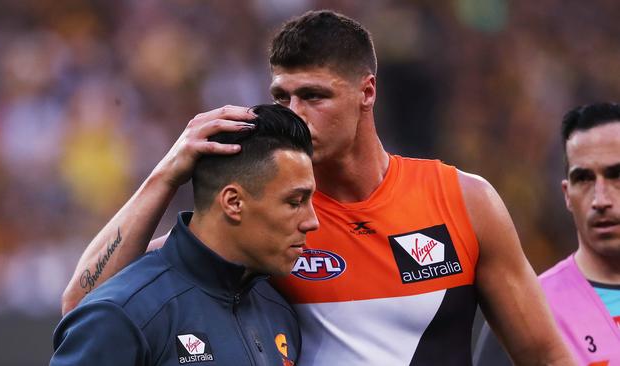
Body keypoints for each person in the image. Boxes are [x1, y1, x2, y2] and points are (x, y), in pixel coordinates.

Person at [61, 10, 575, 365]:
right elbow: (89, 304)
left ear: (366, 91)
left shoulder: (463, 201)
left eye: (313, 95)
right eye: (281, 96)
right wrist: (167, 171)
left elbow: (545, 356)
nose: (295, 115)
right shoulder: (266, 217)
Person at [51, 104, 318, 366]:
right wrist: (165, 175)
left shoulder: (278, 311)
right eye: (295, 202)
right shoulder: (125, 315)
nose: (312, 222)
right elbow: (78, 301)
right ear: (233, 202)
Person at [474, 102, 620, 365]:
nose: (600, 199)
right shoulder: (525, 312)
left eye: (616, 175)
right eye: (584, 179)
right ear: (566, 194)